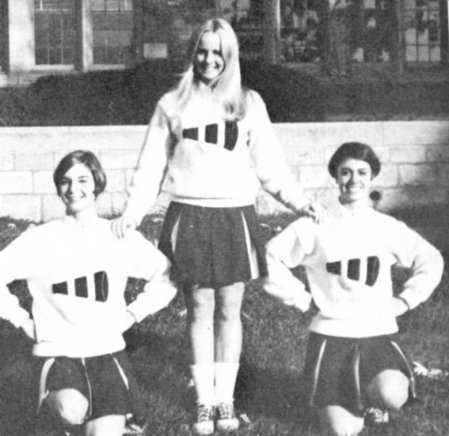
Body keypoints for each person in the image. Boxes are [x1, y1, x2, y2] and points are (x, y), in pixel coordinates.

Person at [111, 18, 319, 436]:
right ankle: (204, 402)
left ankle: (226, 398)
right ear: (193, 54)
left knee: (229, 310)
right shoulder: (172, 104)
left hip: (234, 215)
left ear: (230, 57)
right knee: (199, 310)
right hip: (190, 215)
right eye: (203, 51)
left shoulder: (248, 103)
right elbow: (150, 168)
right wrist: (132, 213)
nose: (209, 59)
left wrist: (301, 201)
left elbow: (270, 167)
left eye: (218, 52)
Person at [263, 142, 444, 436]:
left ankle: (373, 398)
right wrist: (302, 299)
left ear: (372, 177)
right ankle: (348, 398)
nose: (353, 180)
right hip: (331, 337)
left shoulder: (386, 226)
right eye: (345, 172)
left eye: (362, 172)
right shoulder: (314, 225)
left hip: (376, 333)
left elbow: (431, 259)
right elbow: (269, 258)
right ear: (335, 177)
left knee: (392, 395)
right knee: (343, 432)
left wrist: (405, 300)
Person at [0, 150, 177, 436]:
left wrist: (132, 314)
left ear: (97, 183)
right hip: (57, 353)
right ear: (58, 189)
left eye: (82, 180)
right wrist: (21, 320)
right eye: (66, 181)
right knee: (71, 410)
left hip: (105, 353)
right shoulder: (38, 239)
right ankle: (49, 414)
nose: (74, 189)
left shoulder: (117, 235)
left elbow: (167, 277)